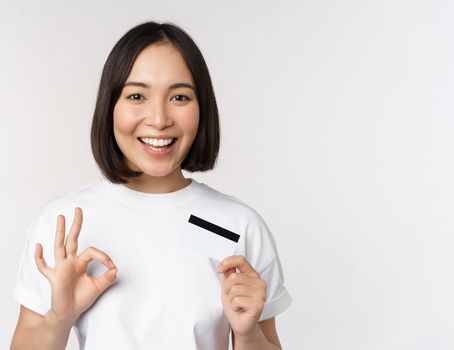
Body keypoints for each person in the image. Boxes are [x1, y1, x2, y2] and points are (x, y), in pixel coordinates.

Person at [10, 21, 292, 350]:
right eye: (136, 95)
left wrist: (246, 334)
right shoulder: (68, 223)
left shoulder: (234, 226)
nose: (159, 119)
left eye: (179, 97)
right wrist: (59, 319)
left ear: (202, 108)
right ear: (110, 107)